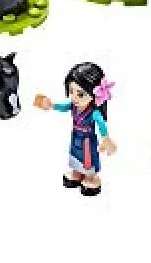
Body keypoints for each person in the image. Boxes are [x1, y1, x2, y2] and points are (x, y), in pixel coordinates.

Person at [34, 61, 116, 197]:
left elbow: (101, 124)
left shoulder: (94, 112)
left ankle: (90, 177)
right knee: (75, 155)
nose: (74, 97)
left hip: (87, 140)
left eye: (80, 94)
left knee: (88, 160)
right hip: (76, 137)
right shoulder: (74, 106)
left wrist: (106, 138)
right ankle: (77, 172)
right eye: (71, 91)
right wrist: (52, 105)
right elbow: (63, 107)